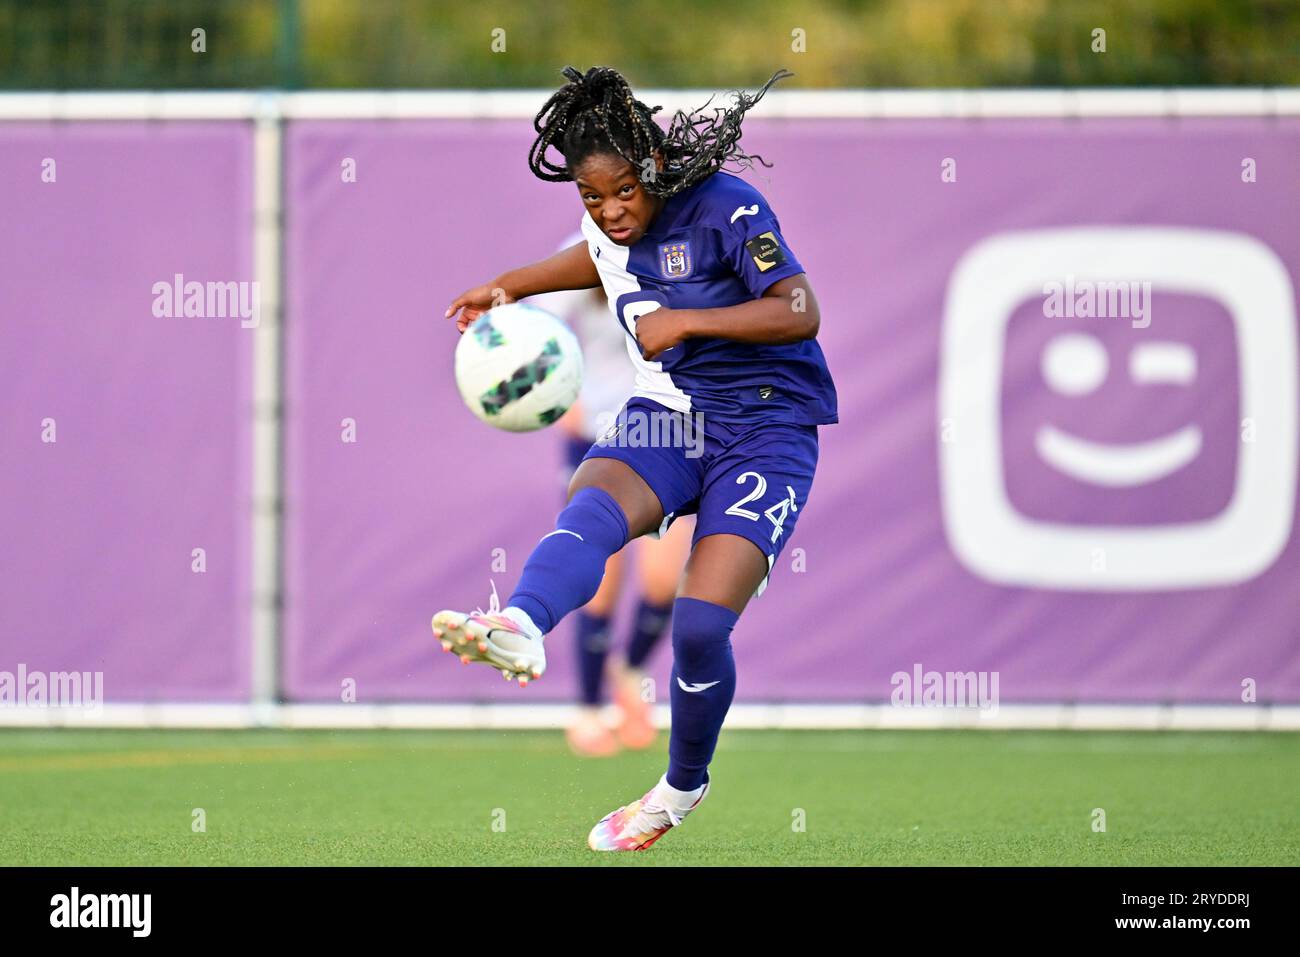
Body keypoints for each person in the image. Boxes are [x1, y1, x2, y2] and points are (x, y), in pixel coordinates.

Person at [436, 64, 838, 852]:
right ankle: (519, 623)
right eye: (593, 198)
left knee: (696, 626)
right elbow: (596, 256)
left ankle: (680, 787)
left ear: (652, 166)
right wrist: (509, 287)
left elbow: (800, 309)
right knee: (589, 506)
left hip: (769, 428)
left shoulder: (727, 205)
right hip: (674, 415)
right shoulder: (608, 225)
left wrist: (689, 322)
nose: (612, 211)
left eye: (624, 191)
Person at [531, 260, 694, 758]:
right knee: (599, 581)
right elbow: (536, 327)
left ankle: (630, 672)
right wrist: (560, 401)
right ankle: (586, 708)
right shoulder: (587, 254)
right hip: (597, 434)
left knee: (665, 582)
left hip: (665, 432)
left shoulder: (685, 255)